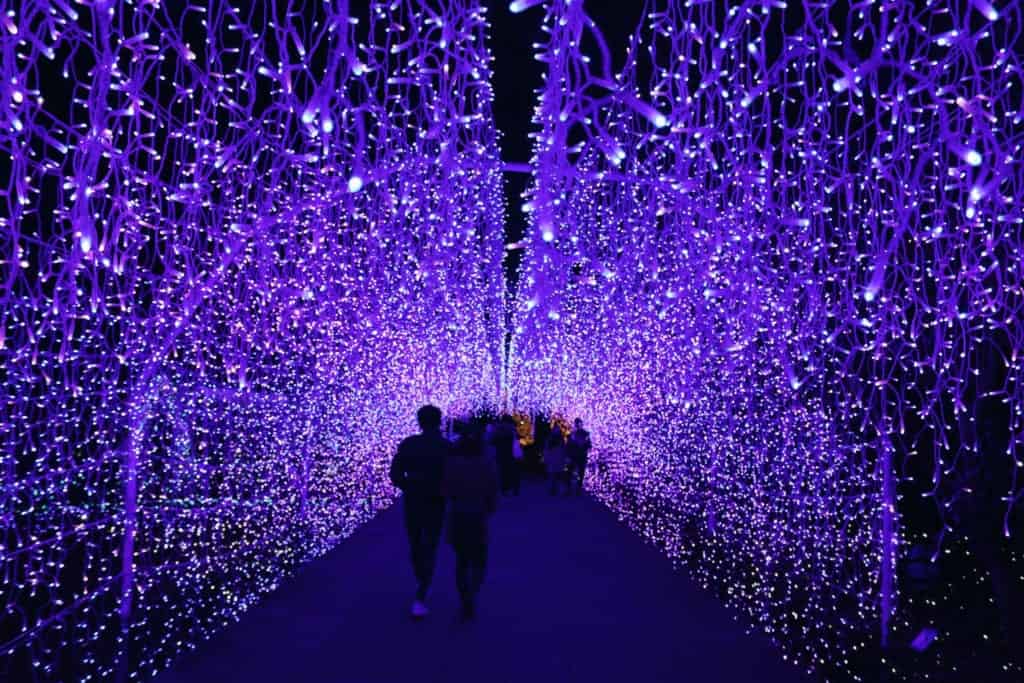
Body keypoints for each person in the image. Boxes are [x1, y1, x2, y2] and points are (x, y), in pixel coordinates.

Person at [389, 405, 450, 617]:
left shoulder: (409, 444)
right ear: (439, 421)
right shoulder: (446, 447)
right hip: (436, 500)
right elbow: (452, 476)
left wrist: (409, 486)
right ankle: (423, 587)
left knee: (415, 542)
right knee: (430, 542)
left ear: (419, 421)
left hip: (414, 500)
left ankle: (421, 583)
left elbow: (395, 473)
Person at [441, 423, 499, 620]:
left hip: (458, 514)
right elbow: (493, 490)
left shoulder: (452, 464)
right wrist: (490, 506)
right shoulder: (486, 464)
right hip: (478, 514)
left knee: (462, 560)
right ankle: (472, 595)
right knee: (479, 559)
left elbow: (446, 491)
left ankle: (464, 595)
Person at [491, 415, 520, 496]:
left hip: (500, 452)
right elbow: (516, 438)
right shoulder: (512, 428)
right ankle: (512, 488)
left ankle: (503, 488)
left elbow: (492, 439)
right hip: (510, 452)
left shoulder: (497, 428)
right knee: (511, 470)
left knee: (502, 470)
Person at [566, 418, 592, 496]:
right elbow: (568, 445)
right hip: (574, 456)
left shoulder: (585, 434)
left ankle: (578, 489)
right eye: (576, 423)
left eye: (579, 423)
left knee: (580, 473)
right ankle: (569, 489)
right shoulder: (572, 434)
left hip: (581, 456)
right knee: (570, 472)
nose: (577, 425)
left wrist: (584, 446)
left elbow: (589, 445)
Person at [543, 428, 569, 495]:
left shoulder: (560, 440)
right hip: (554, 460)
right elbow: (546, 450)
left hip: (558, 460)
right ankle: (553, 489)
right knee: (554, 476)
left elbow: (564, 450)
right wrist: (546, 458)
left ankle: (557, 490)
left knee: (557, 475)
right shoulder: (550, 440)